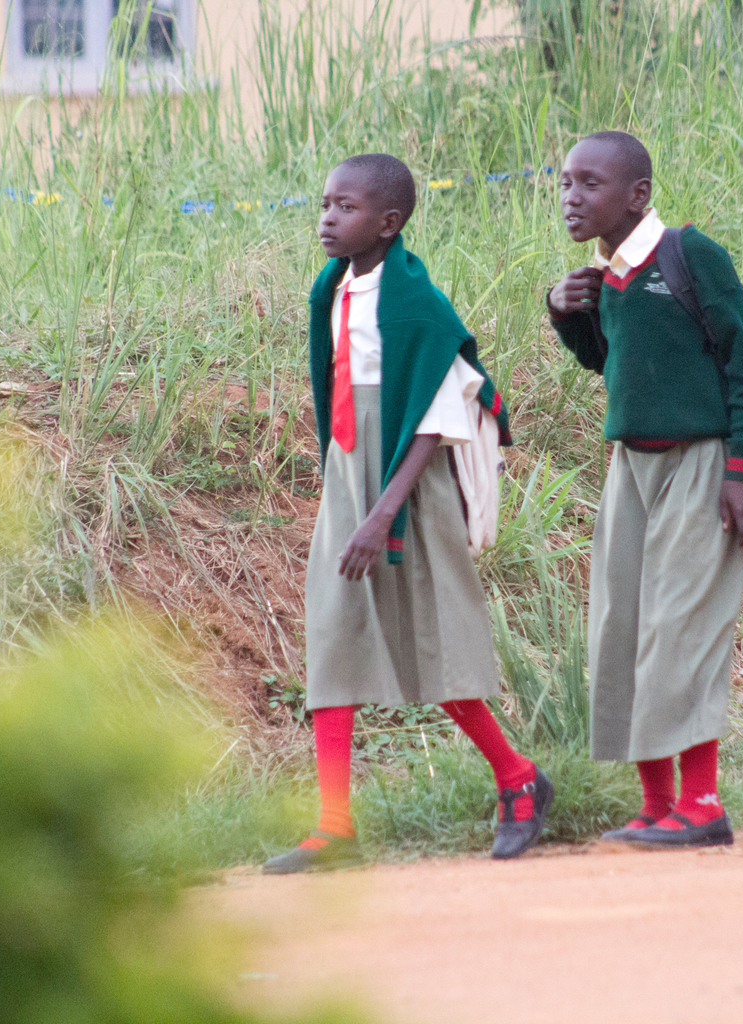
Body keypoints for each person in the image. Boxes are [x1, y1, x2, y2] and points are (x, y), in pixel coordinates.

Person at [263, 153, 549, 874]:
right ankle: (334, 828)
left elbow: (439, 410)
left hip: (408, 488)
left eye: (346, 207)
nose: (328, 218)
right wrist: (348, 497)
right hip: (350, 479)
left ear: (388, 224)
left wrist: (382, 513)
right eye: (325, 203)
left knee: (434, 640)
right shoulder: (333, 288)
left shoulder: (416, 301)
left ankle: (519, 780)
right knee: (332, 632)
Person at [546, 131, 743, 849]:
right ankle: (655, 805)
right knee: (623, 623)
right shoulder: (604, 271)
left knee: (682, 626)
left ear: (637, 194)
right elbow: (609, 365)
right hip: (630, 470)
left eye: (590, 184)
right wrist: (563, 312)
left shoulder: (689, 254)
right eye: (565, 183)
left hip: (702, 464)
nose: (571, 197)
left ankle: (703, 806)